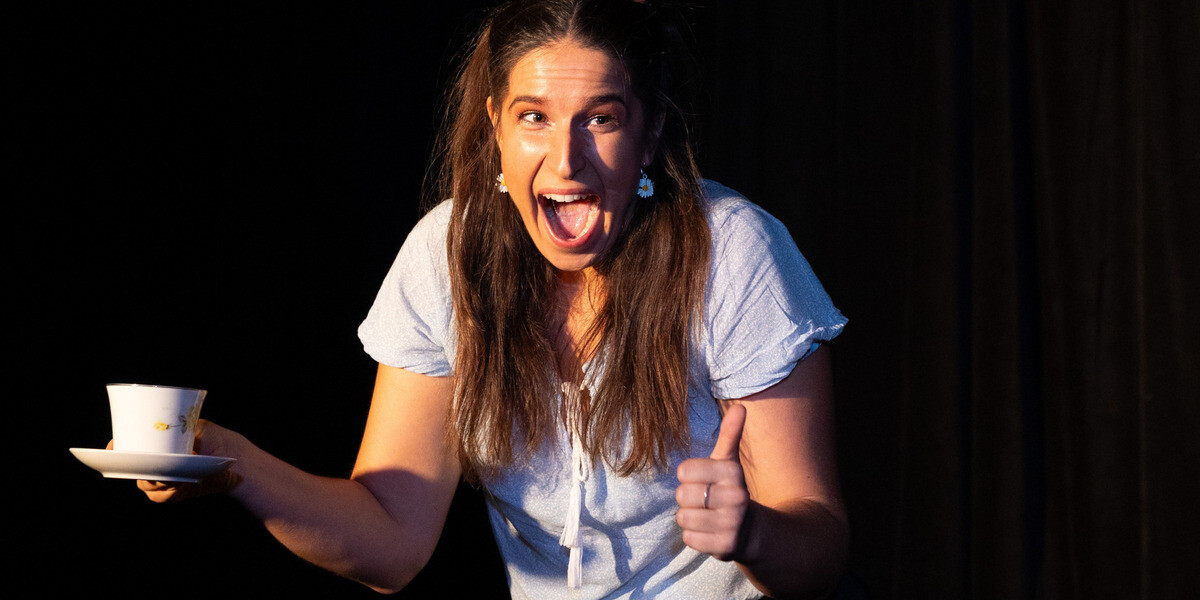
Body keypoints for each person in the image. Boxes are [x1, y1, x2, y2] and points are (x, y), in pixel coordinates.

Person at [137, 1, 849, 598]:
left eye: (600, 118)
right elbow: (392, 540)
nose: (566, 162)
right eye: (534, 117)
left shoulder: (733, 251)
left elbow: (820, 545)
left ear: (650, 130)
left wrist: (752, 531)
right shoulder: (446, 255)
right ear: (495, 128)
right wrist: (229, 460)